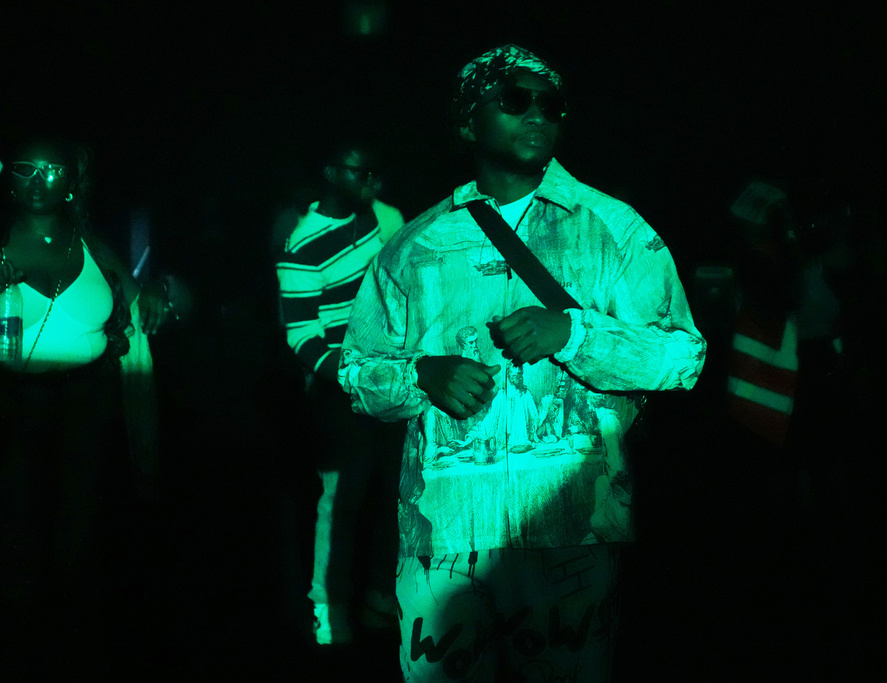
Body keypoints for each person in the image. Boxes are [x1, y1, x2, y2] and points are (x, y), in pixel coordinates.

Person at [339, 45, 706, 681]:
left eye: (550, 103)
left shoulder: (612, 231)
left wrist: (575, 332)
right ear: (467, 123)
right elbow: (355, 372)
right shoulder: (414, 246)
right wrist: (418, 376)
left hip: (572, 532)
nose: (537, 112)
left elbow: (684, 355)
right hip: (445, 538)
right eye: (514, 100)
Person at [0, 136, 171, 677]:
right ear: (10, 178)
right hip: (6, 408)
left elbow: (135, 307)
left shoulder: (93, 244)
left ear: (73, 181)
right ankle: (13, 647)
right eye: (26, 168)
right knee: (13, 536)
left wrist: (156, 301)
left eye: (52, 170)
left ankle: (68, 645)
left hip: (86, 407)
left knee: (79, 538)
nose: (38, 180)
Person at [275, 143, 406, 646]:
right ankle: (328, 611)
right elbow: (302, 335)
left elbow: (406, 290)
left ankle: (379, 598)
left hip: (393, 382)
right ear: (330, 172)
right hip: (339, 391)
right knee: (339, 501)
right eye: (360, 170)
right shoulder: (302, 241)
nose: (372, 179)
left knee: (397, 493)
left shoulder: (390, 217)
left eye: (376, 169)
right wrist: (348, 374)